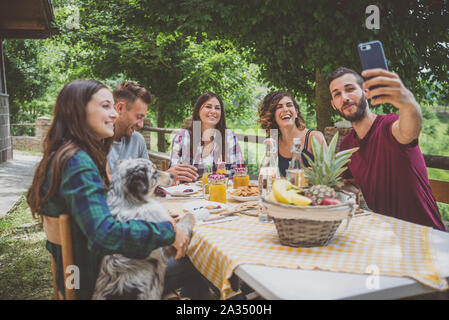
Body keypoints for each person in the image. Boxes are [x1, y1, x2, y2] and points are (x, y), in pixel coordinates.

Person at [26, 80, 190, 299]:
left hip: (78, 275)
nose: (114, 114)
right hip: (99, 284)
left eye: (113, 107)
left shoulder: (64, 154)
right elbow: (104, 235)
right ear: (77, 110)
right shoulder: (77, 162)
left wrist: (157, 221)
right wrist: (168, 233)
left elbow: (102, 215)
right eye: (105, 106)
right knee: (193, 261)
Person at [327, 67, 445, 230]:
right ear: (334, 105)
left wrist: (408, 102)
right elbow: (352, 184)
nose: (345, 97)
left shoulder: (390, 126)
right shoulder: (347, 144)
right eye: (337, 94)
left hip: (425, 234)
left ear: (365, 91)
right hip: (387, 236)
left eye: (350, 89)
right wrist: (323, 186)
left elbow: (410, 130)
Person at [107, 81, 198, 183]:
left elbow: (148, 181)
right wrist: (164, 177)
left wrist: (167, 178)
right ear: (120, 108)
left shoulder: (137, 140)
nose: (141, 125)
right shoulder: (93, 142)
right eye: (138, 117)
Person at [169, 92, 244, 176]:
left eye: (217, 108)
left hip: (222, 188)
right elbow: (174, 174)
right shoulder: (182, 137)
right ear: (198, 111)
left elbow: (239, 171)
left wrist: (212, 179)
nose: (213, 111)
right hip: (187, 188)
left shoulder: (229, 136)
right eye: (208, 107)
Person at [258, 91, 327, 176]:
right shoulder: (275, 140)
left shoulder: (314, 137)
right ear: (272, 115)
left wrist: (318, 173)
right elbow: (264, 173)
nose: (285, 109)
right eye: (279, 107)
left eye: (289, 105)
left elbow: (328, 173)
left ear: (296, 112)